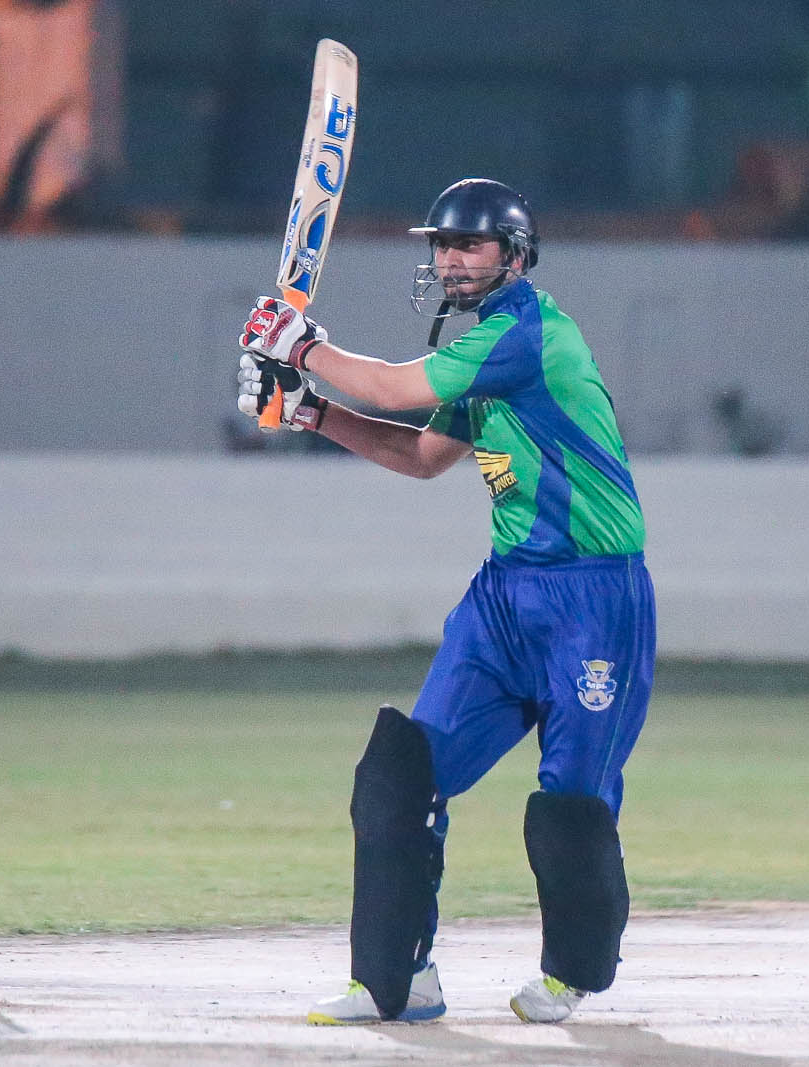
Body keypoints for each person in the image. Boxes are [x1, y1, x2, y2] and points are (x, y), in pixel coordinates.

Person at [236, 178, 655, 1026]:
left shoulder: (528, 336)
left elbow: (395, 387)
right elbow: (423, 456)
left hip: (593, 599)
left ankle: (573, 972)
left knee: (572, 800)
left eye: (468, 245)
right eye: (442, 244)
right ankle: (397, 979)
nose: (450, 259)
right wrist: (312, 413)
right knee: (401, 775)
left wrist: (301, 348)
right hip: (504, 597)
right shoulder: (485, 352)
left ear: (515, 256)